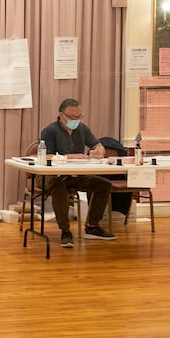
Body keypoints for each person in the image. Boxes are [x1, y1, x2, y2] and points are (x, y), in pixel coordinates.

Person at [40, 98, 116, 248]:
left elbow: (98, 145)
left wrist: (99, 151)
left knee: (104, 185)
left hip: (76, 174)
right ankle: (65, 231)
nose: (75, 120)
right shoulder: (50, 131)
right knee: (59, 185)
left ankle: (92, 226)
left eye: (78, 117)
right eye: (71, 117)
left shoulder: (82, 129)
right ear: (61, 115)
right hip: (53, 176)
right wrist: (70, 157)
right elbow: (45, 156)